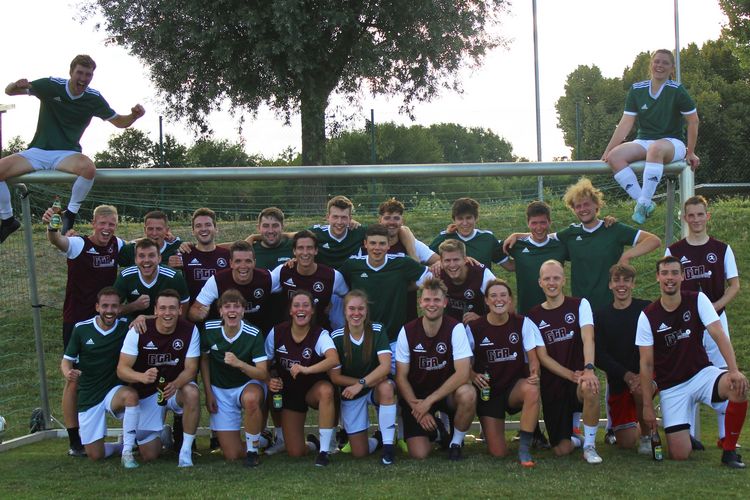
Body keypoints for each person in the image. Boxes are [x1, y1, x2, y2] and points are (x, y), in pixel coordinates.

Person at [0, 54, 145, 242]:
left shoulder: (93, 98)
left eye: (88, 75)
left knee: (88, 168)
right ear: (71, 72)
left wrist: (134, 116)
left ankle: (70, 214)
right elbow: (10, 92)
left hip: (67, 153)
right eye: (80, 73)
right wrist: (16, 85)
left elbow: (119, 122)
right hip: (38, 150)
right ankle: (8, 219)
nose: (84, 79)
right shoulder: (51, 85)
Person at [637, 256, 747, 468]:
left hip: (702, 375)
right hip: (672, 387)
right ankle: (685, 436)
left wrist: (733, 370)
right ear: (657, 277)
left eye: (675, 273)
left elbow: (718, 333)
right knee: (679, 455)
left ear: (683, 276)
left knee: (738, 386)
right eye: (665, 273)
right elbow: (646, 364)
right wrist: (647, 406)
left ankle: (730, 451)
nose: (670, 278)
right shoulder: (648, 316)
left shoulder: (698, 299)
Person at [42, 203, 124, 456]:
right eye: (103, 223)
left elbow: (143, 247)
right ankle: (74, 439)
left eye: (111, 224)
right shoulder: (78, 244)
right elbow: (56, 240)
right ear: (93, 223)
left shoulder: (118, 245)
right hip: (77, 321)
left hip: (109, 320)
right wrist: (53, 225)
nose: (107, 228)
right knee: (74, 378)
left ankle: (135, 430)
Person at [665, 195, 740, 449]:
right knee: (688, 372)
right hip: (686, 324)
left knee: (723, 374)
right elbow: (668, 285)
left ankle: (724, 436)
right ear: (684, 218)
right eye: (691, 215)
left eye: (700, 214)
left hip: (717, 321)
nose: (696, 219)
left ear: (707, 217)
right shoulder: (674, 251)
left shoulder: (722, 249)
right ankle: (689, 434)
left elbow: (734, 285)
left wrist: (713, 308)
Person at [602, 49, 699, 224]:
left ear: (672, 69)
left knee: (655, 149)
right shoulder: (637, 89)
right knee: (614, 157)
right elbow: (625, 123)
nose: (660, 66)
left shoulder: (677, 90)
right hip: (644, 140)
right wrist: (608, 150)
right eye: (657, 61)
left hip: (672, 143)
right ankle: (644, 202)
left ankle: (643, 204)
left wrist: (690, 152)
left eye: (665, 63)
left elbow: (693, 121)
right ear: (651, 64)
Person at [527, 260, 603, 464]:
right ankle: (576, 440)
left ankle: (589, 446)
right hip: (554, 384)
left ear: (563, 281)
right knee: (561, 450)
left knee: (591, 386)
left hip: (580, 377)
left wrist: (588, 368)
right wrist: (570, 374)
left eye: (556, 278)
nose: (552, 282)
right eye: (547, 278)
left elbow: (588, 337)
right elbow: (542, 357)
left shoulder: (580, 304)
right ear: (540, 282)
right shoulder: (532, 316)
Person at [116, 290, 201, 467]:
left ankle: (185, 453)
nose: (167, 313)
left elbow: (191, 370)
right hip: (147, 393)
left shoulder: (190, 330)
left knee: (192, 392)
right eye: (162, 308)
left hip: (174, 389)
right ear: (155, 310)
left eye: (172, 308)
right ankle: (162, 434)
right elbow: (122, 369)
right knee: (150, 455)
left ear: (179, 310)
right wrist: (141, 376)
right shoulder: (139, 329)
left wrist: (176, 384)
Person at [395, 278, 476, 460]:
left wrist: (429, 402)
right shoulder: (407, 331)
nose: (432, 304)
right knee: (420, 453)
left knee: (468, 393)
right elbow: (400, 377)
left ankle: (455, 444)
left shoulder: (456, 328)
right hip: (417, 397)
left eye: (437, 300)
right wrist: (418, 407)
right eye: (427, 300)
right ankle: (439, 432)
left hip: (446, 393)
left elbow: (463, 373)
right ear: (420, 302)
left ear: (445, 302)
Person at [555, 178, 661, 312]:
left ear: (596, 205)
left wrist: (626, 256)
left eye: (586, 204)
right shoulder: (570, 233)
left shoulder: (613, 229)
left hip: (612, 307)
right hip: (582, 310)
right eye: (578, 206)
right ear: (574, 209)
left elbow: (654, 240)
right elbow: (540, 238)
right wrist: (519, 236)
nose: (583, 209)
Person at [60, 288, 140, 465]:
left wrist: (143, 317)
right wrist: (68, 373)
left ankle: (128, 452)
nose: (109, 310)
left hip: (114, 390)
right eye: (105, 306)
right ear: (97, 307)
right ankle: (123, 446)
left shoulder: (126, 327)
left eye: (114, 306)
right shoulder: (81, 329)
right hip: (90, 394)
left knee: (131, 396)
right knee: (96, 455)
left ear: (120, 308)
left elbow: (157, 319)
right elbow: (66, 361)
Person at [466, 279, 542, 466]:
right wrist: (473, 375)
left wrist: (534, 372)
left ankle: (524, 449)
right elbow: (463, 362)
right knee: (498, 453)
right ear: (486, 301)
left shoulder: (522, 323)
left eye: (503, 295)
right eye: (493, 296)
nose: (498, 300)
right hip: (488, 393)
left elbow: (533, 357)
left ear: (509, 300)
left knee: (532, 389)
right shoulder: (474, 328)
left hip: (513, 388)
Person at [265, 290, 340, 466]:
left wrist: (307, 369)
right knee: (295, 452)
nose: (301, 309)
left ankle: (324, 450)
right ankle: (312, 444)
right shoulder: (277, 333)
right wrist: (269, 380)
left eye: (306, 305)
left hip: (313, 389)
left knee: (326, 391)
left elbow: (333, 359)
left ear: (312, 310)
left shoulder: (320, 334)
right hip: (290, 393)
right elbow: (264, 365)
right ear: (290, 311)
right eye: (296, 305)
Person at [200, 290, 269, 467]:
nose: (232, 311)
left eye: (237, 306)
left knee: (251, 399)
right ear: (220, 311)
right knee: (232, 454)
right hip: (220, 390)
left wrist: (240, 364)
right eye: (227, 306)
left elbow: (262, 374)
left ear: (243, 311)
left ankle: (253, 452)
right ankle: (262, 440)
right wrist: (209, 393)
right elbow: (205, 361)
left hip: (247, 384)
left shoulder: (253, 333)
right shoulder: (209, 329)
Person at [330, 290, 396, 464]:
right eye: (352, 309)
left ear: (367, 311)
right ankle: (378, 440)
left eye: (361, 309)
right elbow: (336, 377)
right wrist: (361, 384)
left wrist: (362, 383)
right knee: (360, 453)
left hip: (372, 388)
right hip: (352, 392)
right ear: (344, 311)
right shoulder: (336, 337)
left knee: (387, 387)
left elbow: (385, 366)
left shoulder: (377, 329)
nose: (356, 313)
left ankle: (389, 447)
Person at [339, 224, 431, 349]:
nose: (377, 248)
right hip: (363, 337)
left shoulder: (402, 262)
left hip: (395, 339)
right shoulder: (353, 265)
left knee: (400, 369)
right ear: (365, 244)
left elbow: (429, 278)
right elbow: (335, 284)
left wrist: (407, 287)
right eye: (373, 243)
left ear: (388, 245)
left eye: (382, 243)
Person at [594, 264, 652, 453]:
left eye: (626, 280)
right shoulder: (601, 316)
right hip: (619, 382)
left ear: (633, 284)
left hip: (646, 377)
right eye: (616, 280)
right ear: (610, 285)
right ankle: (639, 423)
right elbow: (599, 356)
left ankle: (646, 435)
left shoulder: (646, 309)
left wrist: (640, 376)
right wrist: (626, 375)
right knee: (626, 443)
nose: (621, 285)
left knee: (640, 388)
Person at [189, 241, 279, 332]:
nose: (243, 266)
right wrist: (198, 314)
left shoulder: (268, 278)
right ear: (231, 263)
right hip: (226, 334)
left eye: (248, 261)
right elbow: (194, 311)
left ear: (254, 262)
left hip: (258, 333)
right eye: (238, 261)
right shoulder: (216, 281)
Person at [270, 230, 349, 330]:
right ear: (294, 251)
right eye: (300, 248)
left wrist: (334, 308)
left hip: (320, 331)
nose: (305, 252)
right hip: (289, 331)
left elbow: (347, 296)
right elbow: (265, 287)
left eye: (310, 248)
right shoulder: (283, 271)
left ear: (316, 250)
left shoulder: (332, 276)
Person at [498, 201, 568, 314]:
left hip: (556, 311)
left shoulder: (560, 246)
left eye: (543, 223)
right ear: (528, 223)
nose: (539, 227)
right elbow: (490, 246)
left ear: (550, 222)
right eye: (534, 223)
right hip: (527, 312)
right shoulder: (516, 245)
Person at [113, 238, 190, 320]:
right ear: (135, 259)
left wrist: (147, 318)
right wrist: (134, 306)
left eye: (151, 255)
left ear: (159, 258)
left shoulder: (174, 277)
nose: (146, 260)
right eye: (141, 256)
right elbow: (111, 310)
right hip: (133, 325)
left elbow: (182, 314)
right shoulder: (126, 276)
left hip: (166, 324)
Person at [172, 208, 230, 302]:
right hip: (193, 314)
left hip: (222, 315)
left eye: (208, 225)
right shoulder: (184, 254)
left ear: (216, 229)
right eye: (198, 226)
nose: (203, 229)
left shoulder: (227, 255)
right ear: (193, 231)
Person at [429, 197, 503, 270]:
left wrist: (514, 236)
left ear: (476, 218)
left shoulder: (487, 238)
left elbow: (509, 266)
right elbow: (424, 259)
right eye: (460, 219)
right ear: (454, 220)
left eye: (468, 218)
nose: (465, 223)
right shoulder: (444, 238)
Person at [437, 239, 495, 323]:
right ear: (441, 262)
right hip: (451, 327)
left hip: (479, 326)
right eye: (447, 260)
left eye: (456, 260)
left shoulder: (482, 274)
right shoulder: (437, 274)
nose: (452, 265)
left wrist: (482, 319)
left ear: (465, 259)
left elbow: (502, 301)